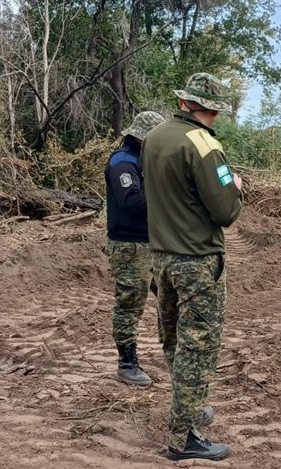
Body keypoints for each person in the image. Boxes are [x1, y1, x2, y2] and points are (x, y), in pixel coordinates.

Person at [142, 73, 243, 462]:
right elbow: (225, 211)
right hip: (197, 261)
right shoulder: (204, 144)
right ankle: (183, 438)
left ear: (183, 101)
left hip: (161, 258)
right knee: (197, 348)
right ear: (213, 109)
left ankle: (190, 408)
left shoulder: (154, 137)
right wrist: (235, 187)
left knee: (173, 340)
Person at [104, 110, 165, 386]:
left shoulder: (143, 160)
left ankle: (173, 350)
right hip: (129, 246)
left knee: (171, 298)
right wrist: (169, 200)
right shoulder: (123, 162)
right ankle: (127, 364)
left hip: (153, 242)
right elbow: (131, 202)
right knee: (130, 304)